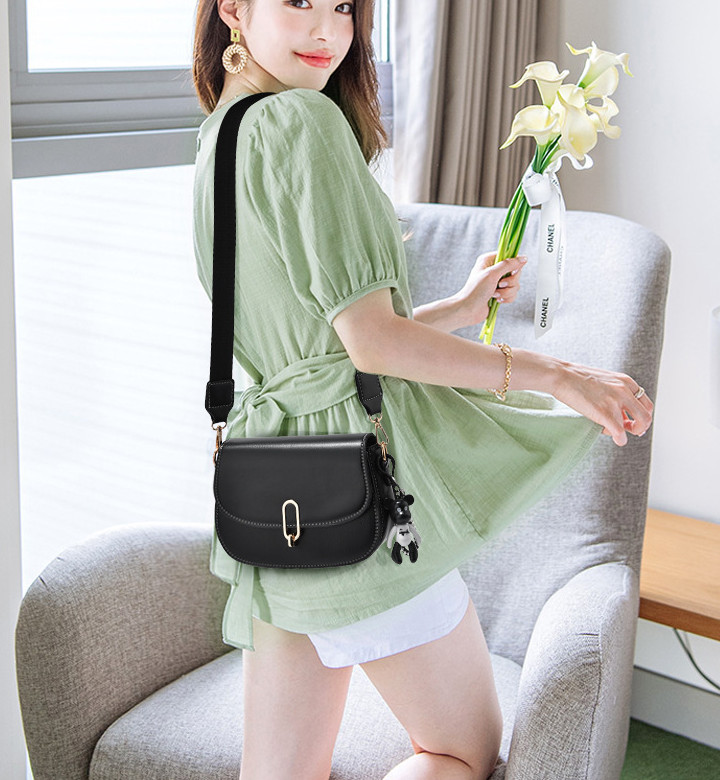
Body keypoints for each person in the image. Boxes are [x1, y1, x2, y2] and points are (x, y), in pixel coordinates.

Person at [191, 1, 654, 778]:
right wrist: (557, 373)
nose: (327, 29)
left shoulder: (220, 137)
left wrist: (460, 309)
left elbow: (324, 348)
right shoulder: (305, 122)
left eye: (343, 6)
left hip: (275, 491)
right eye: (299, 1)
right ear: (233, 7)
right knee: (460, 753)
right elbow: (370, 345)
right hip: (359, 492)